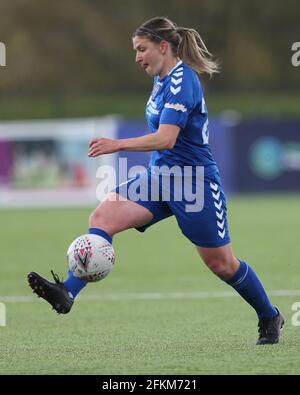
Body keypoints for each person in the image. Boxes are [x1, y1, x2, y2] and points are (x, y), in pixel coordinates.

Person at [28, 16, 284, 345]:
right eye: (135, 50)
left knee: (222, 264)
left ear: (163, 47)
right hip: (157, 178)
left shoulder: (183, 81)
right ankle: (67, 293)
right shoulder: (161, 79)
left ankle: (269, 314)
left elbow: (166, 139)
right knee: (102, 216)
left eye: (141, 49)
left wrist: (117, 144)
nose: (136, 57)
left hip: (195, 183)